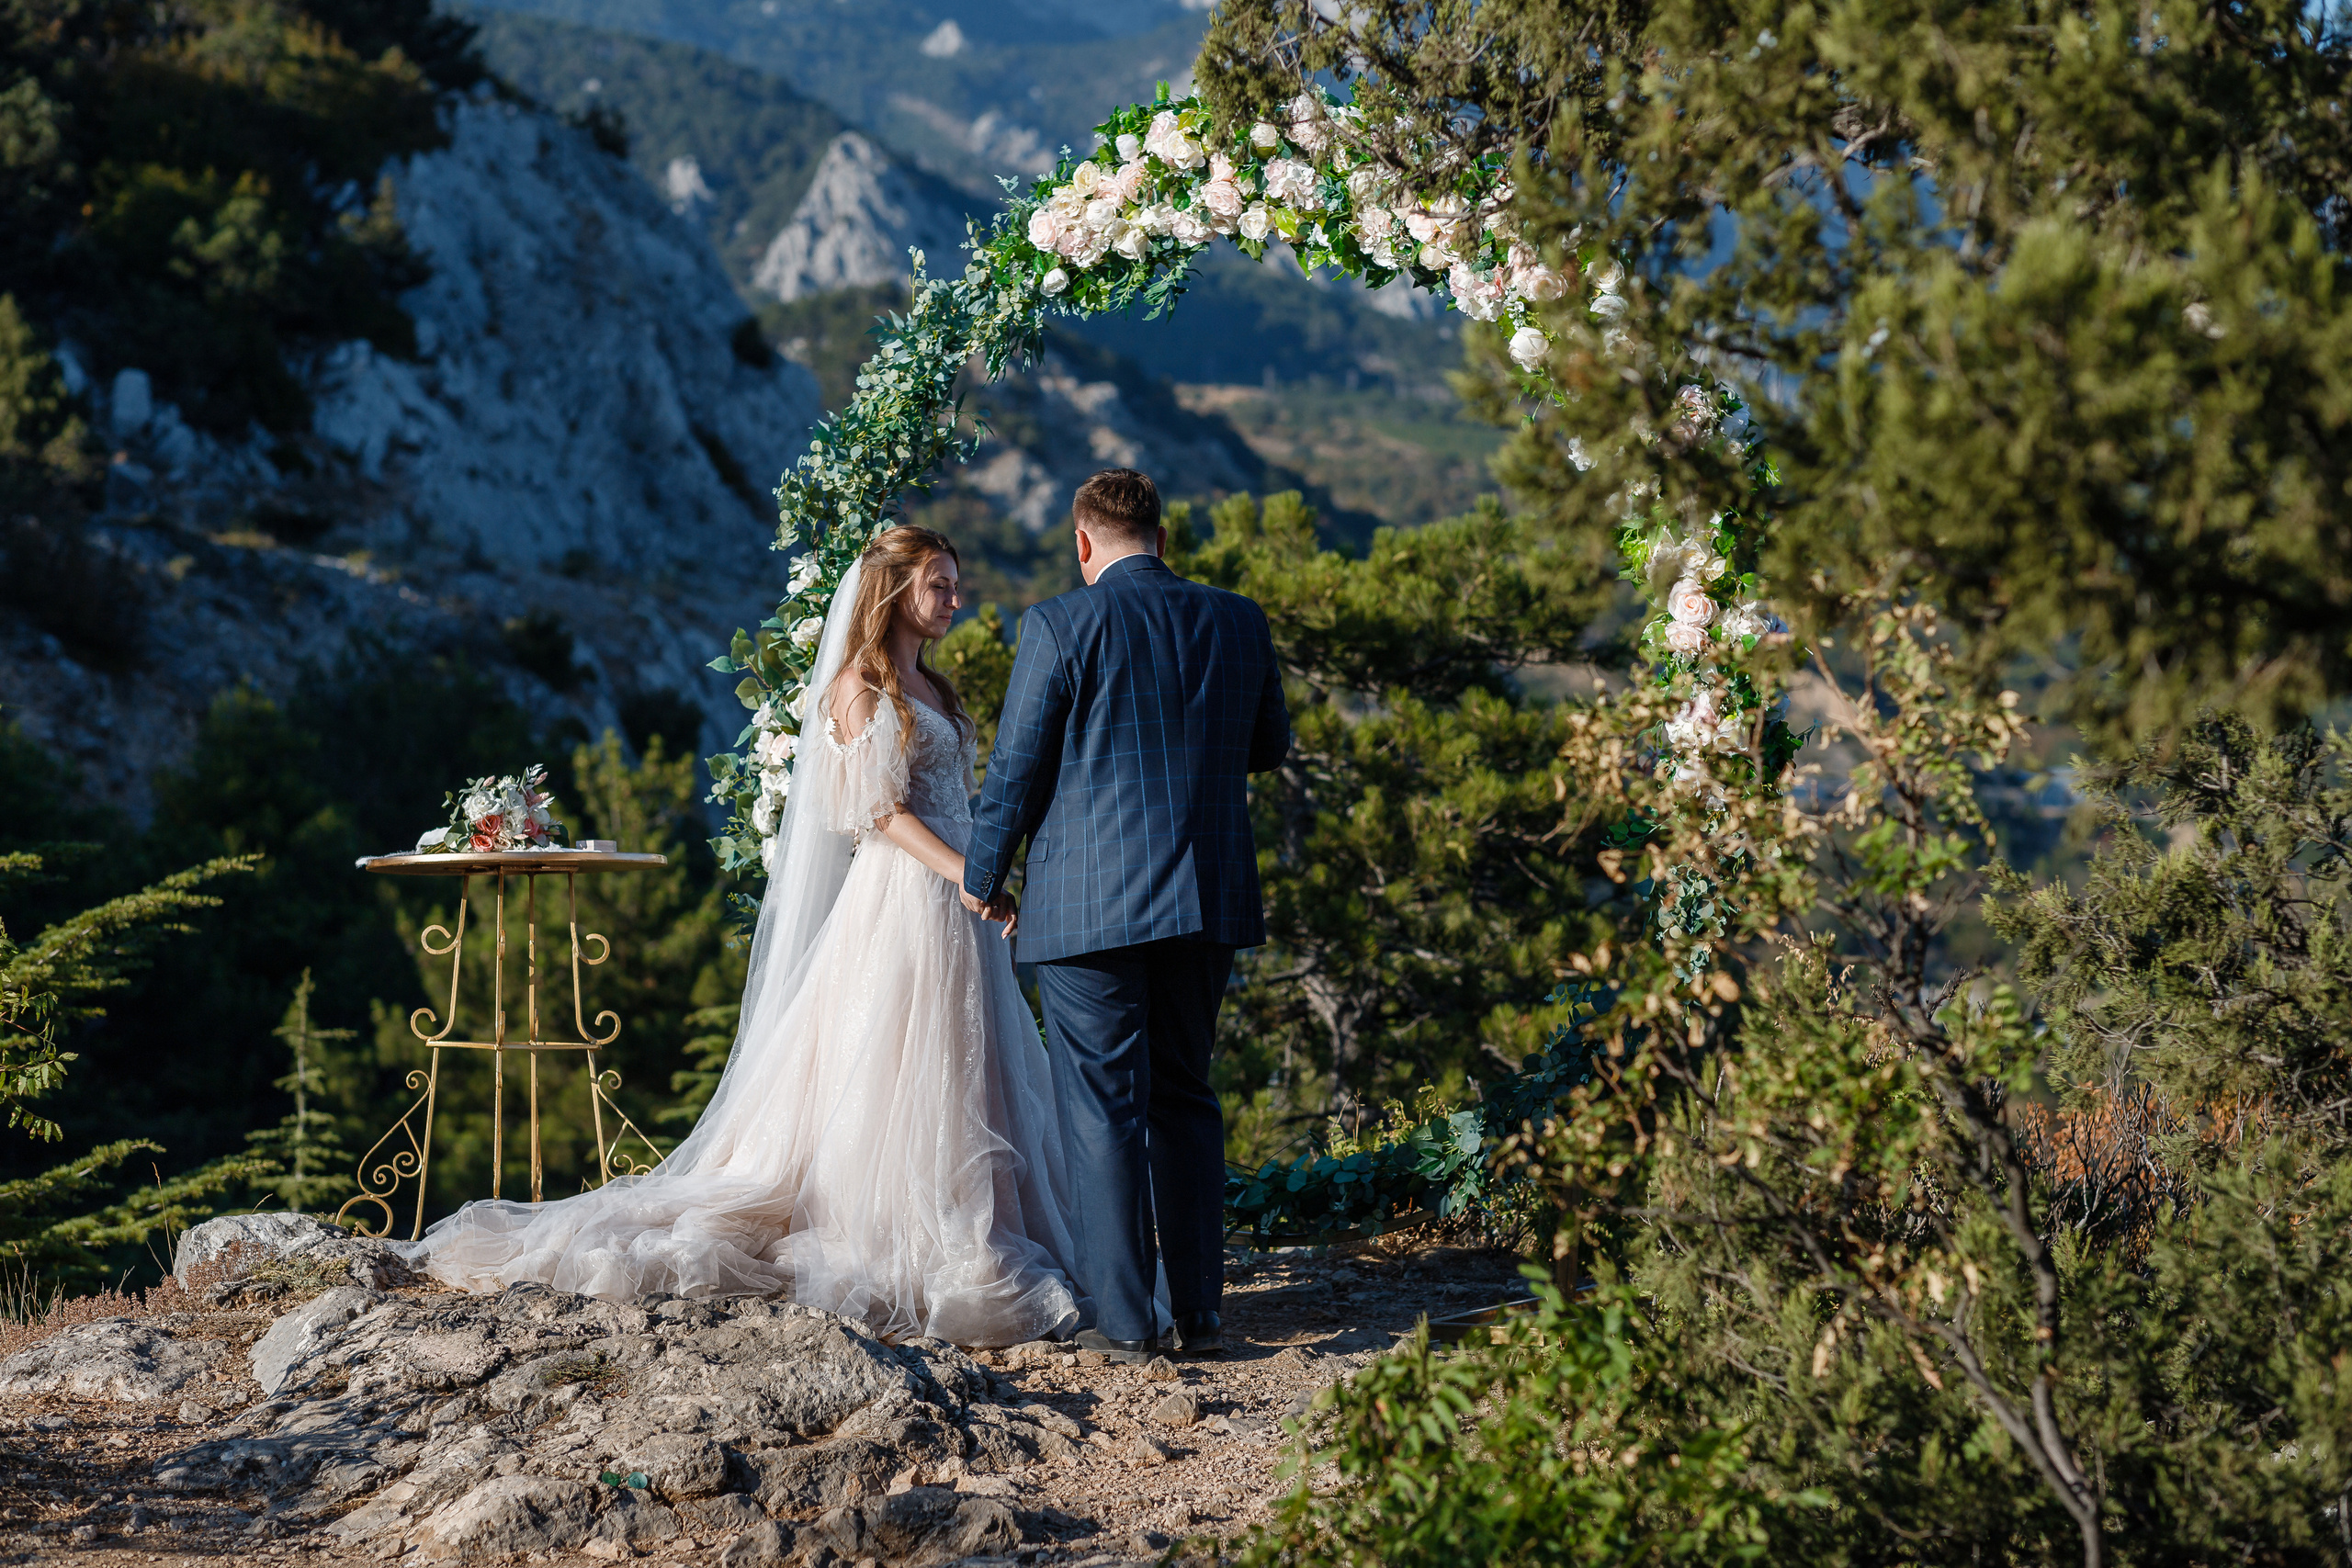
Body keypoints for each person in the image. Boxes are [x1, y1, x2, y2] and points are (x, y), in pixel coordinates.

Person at [401, 525, 1086, 1348]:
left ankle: (970, 1210)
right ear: (896, 591)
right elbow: (877, 813)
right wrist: (968, 876)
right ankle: (899, 1221)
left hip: (951, 904)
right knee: (903, 1062)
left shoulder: (931, 686)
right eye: (940, 583)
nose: (955, 598)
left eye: (954, 581)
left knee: (962, 1063)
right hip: (907, 897)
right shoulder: (859, 687)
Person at [963, 468, 1290, 1363]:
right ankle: (1201, 1313)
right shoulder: (1239, 619)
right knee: (1185, 1096)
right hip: (1208, 895)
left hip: (1089, 907)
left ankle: (1125, 1322)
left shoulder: (1063, 623)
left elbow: (1017, 769)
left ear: (1082, 543)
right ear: (1161, 536)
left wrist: (982, 875)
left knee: (1103, 1108)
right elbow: (1269, 747)